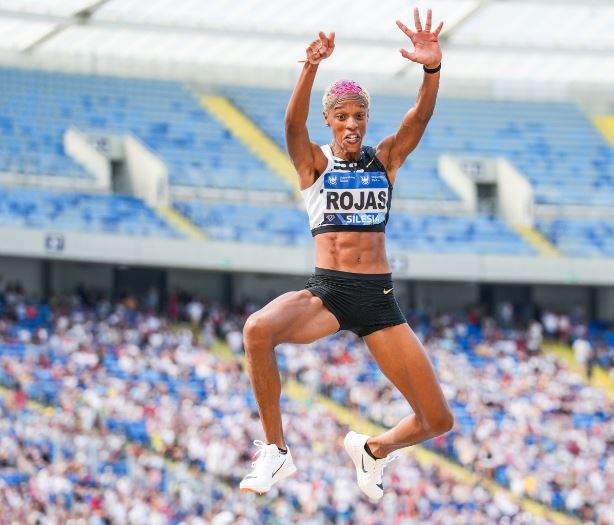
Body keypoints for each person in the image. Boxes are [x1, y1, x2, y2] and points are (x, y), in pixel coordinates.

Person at [240, 7, 453, 500]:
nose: (352, 124)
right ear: (329, 120)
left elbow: (420, 116)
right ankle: (275, 452)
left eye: (359, 116)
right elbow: (291, 125)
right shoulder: (315, 162)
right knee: (257, 330)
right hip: (330, 292)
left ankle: (373, 450)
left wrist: (432, 69)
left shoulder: (386, 160)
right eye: (342, 117)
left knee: (437, 419)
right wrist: (310, 66)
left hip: (378, 299)